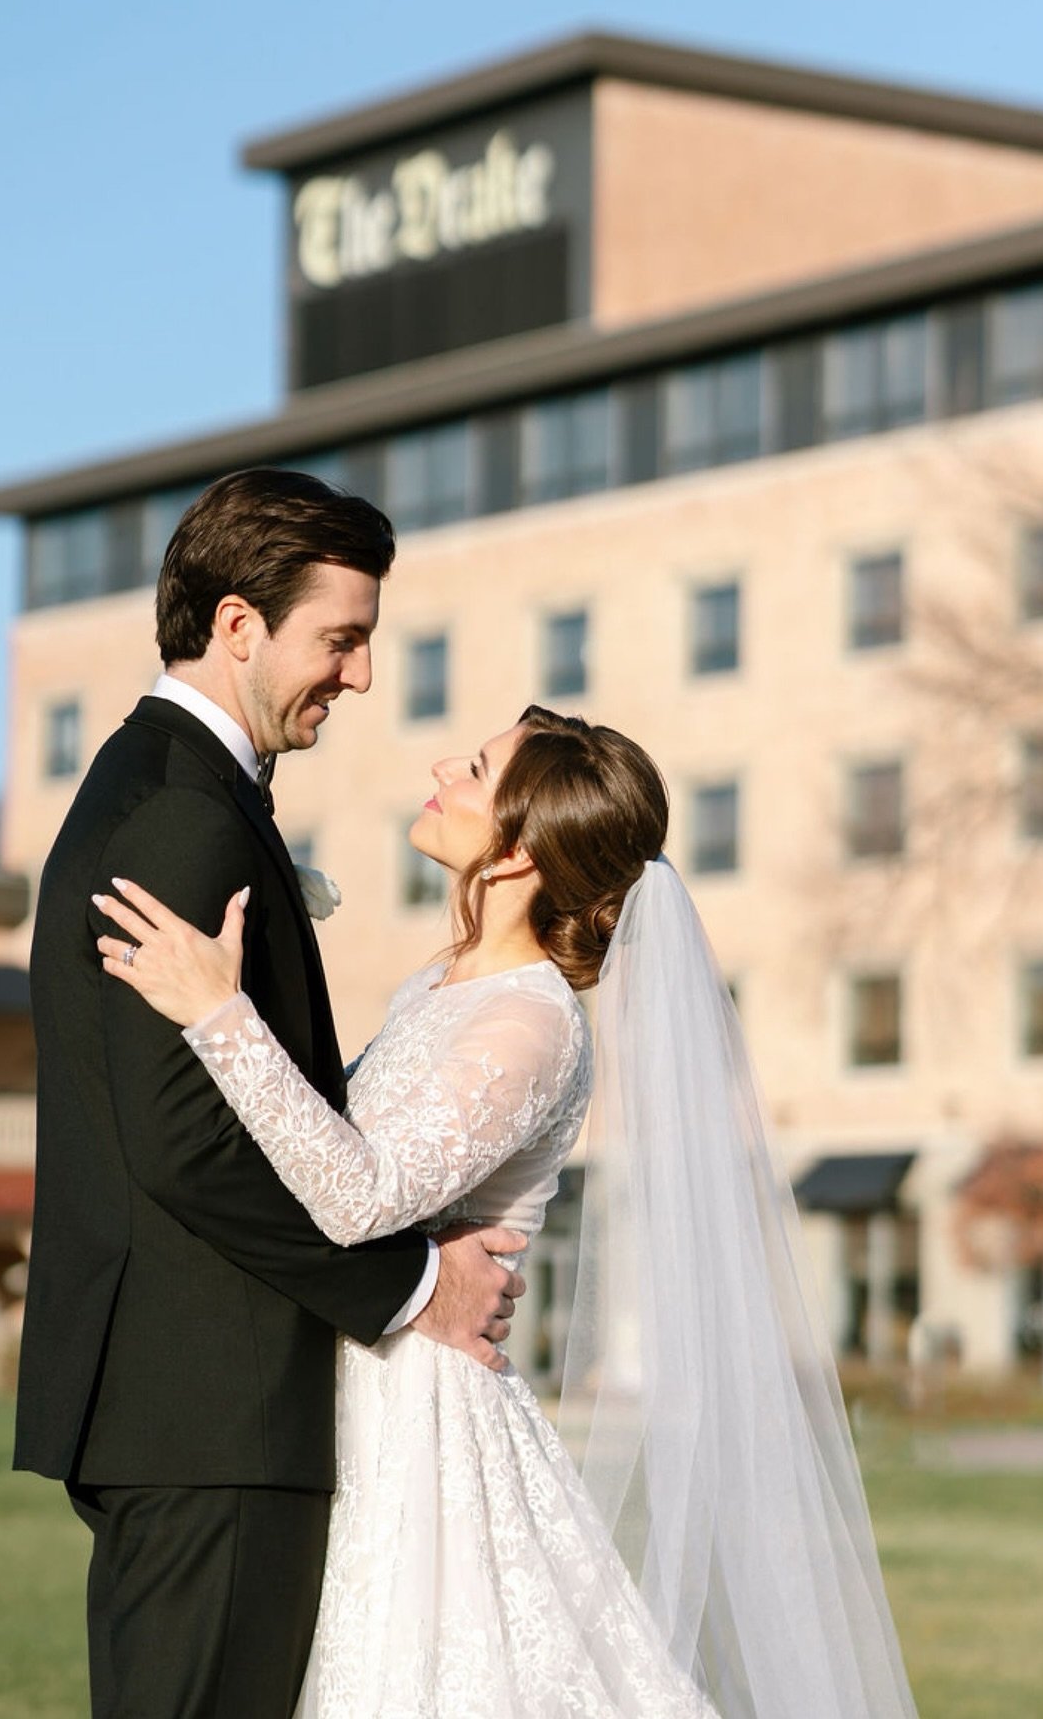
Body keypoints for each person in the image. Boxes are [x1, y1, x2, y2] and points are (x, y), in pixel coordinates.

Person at [92, 708, 921, 1718]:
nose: (444, 766)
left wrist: (220, 1016)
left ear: (521, 848)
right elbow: (309, 1152)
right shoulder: (434, 987)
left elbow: (359, 1196)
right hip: (355, 1386)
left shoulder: (530, 1023)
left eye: (477, 769)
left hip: (424, 1421)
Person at [14, 468, 527, 1719]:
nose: (358, 677)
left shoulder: (167, 788)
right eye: (341, 640)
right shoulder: (184, 816)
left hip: (194, 1409)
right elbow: (185, 1145)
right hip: (211, 1411)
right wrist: (413, 1287)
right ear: (240, 625)